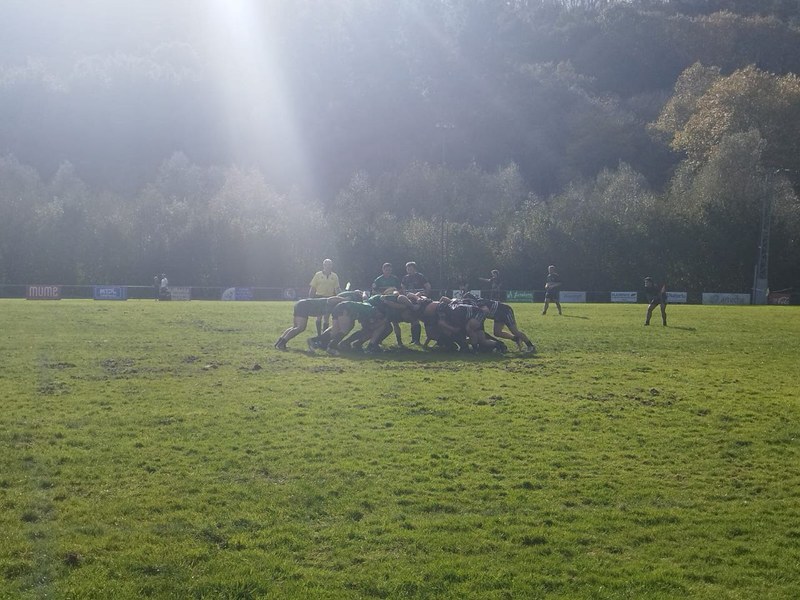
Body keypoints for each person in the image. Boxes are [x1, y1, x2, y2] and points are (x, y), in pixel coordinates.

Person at [400, 262, 431, 344]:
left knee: (416, 317)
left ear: (414, 268)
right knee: (413, 318)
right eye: (407, 268)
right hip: (410, 300)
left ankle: (417, 340)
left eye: (410, 268)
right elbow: (402, 288)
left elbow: (428, 286)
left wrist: (425, 295)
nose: (409, 270)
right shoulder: (405, 278)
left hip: (420, 299)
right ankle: (414, 340)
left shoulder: (420, 276)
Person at [309, 258, 341, 335]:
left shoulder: (334, 276)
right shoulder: (318, 275)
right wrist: (310, 298)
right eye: (326, 265)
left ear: (332, 266)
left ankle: (324, 335)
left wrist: (340, 297)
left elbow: (337, 288)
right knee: (319, 316)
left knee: (326, 317)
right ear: (323, 265)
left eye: (330, 265)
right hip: (319, 297)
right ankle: (319, 333)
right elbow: (313, 287)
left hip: (329, 298)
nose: (328, 266)